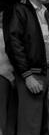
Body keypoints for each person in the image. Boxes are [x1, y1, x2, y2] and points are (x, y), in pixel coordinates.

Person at [5, 0, 49, 135]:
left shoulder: (47, 13)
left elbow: (41, 43)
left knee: (45, 123)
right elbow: (14, 45)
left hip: (47, 72)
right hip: (31, 75)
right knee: (30, 125)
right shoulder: (19, 10)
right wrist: (27, 76)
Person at [0, 7, 15, 135]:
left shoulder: (8, 32)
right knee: (6, 112)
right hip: (5, 76)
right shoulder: (4, 33)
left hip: (7, 75)